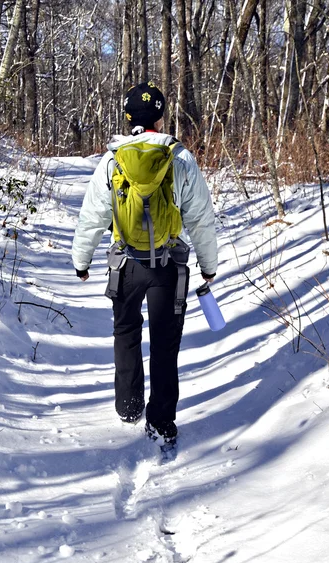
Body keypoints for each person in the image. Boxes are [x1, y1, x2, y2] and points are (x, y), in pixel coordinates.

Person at [72, 82, 217, 446]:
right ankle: (161, 423)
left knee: (126, 332)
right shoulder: (179, 157)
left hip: (125, 264)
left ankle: (129, 405)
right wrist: (208, 265)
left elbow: (92, 216)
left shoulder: (113, 159)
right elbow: (200, 217)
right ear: (161, 116)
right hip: (168, 265)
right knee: (165, 343)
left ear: (128, 117)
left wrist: (82, 260)